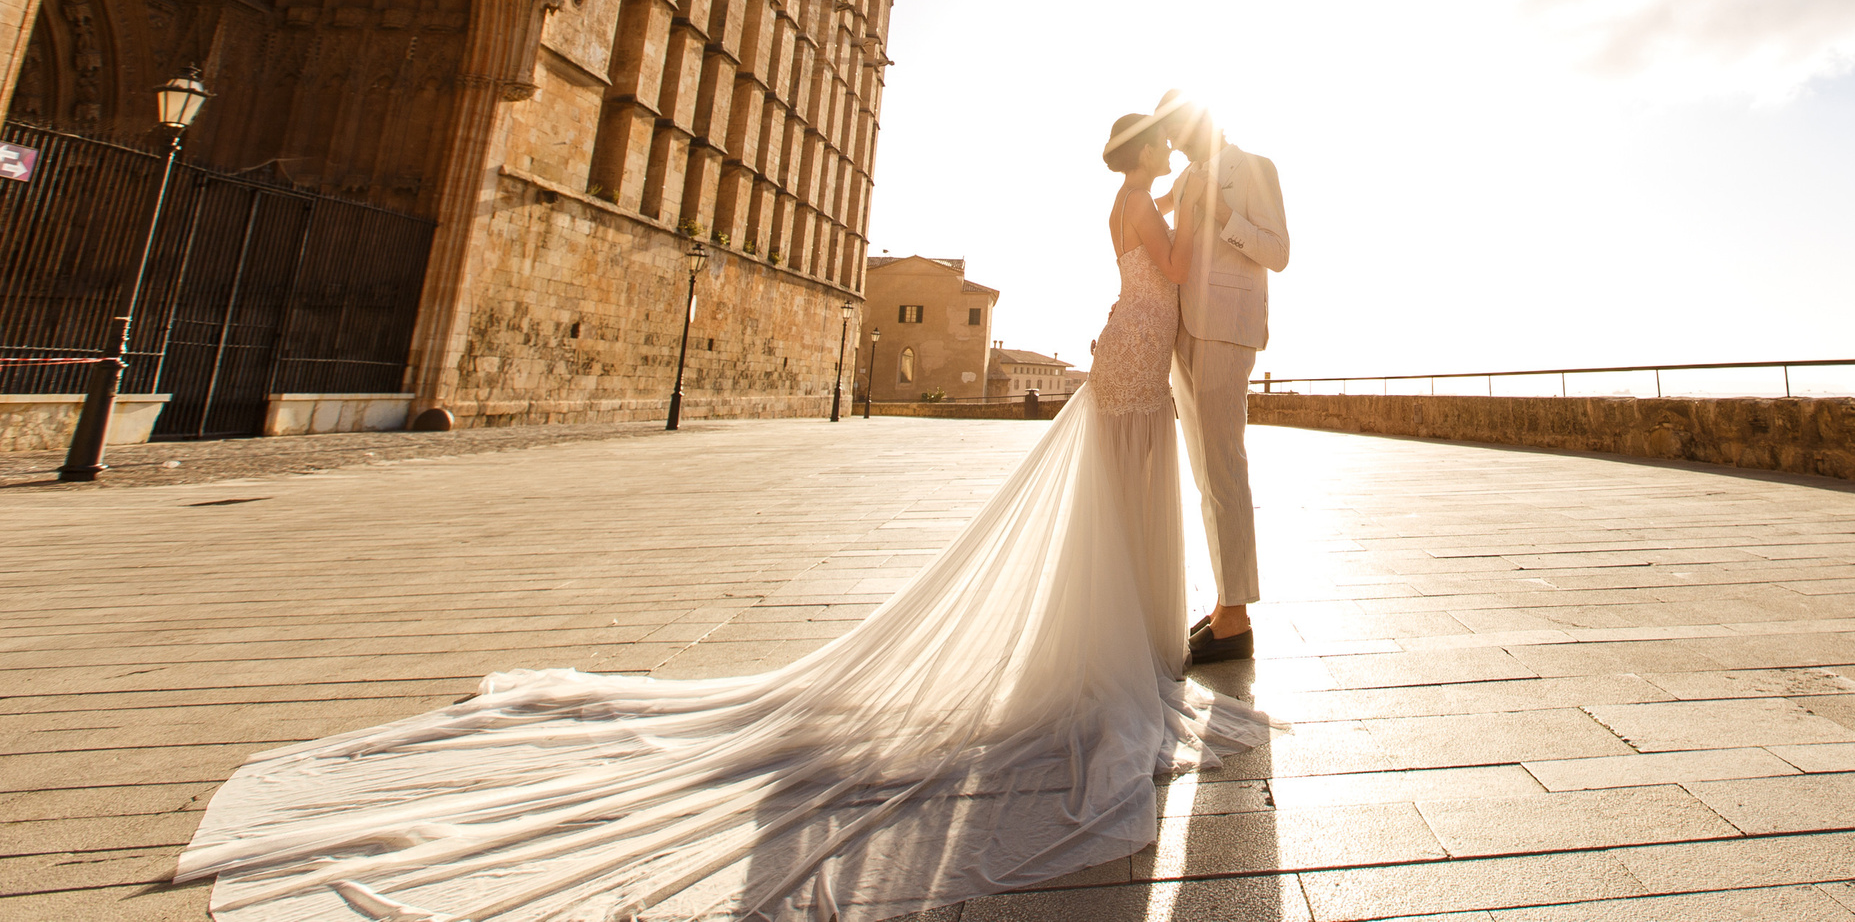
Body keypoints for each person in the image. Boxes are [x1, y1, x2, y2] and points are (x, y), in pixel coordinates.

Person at [173, 107, 1268, 922]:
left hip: (1126, 343)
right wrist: (1195, 208)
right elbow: (1174, 266)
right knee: (1133, 478)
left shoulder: (1127, 196)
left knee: (1125, 485)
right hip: (1133, 349)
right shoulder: (1143, 202)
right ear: (1142, 161)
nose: (1172, 158)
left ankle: (1122, 636)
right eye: (1162, 152)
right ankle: (1129, 641)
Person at [1151, 91, 1289, 667]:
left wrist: (1223, 215)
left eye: (1176, 131)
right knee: (1207, 474)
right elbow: (1150, 213)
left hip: (1227, 331)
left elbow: (1278, 252)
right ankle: (1225, 607)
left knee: (1226, 467)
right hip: (1179, 333)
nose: (1173, 144)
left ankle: (1237, 616)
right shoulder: (1182, 180)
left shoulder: (1256, 168)